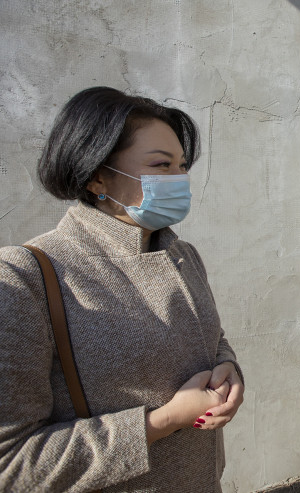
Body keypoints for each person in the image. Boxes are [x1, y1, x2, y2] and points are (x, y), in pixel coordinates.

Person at [0, 87, 244, 491]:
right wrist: (163, 421)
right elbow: (12, 465)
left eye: (182, 165)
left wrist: (228, 370)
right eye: (161, 165)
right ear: (97, 176)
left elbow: (213, 338)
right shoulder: (25, 278)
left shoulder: (183, 255)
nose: (179, 179)